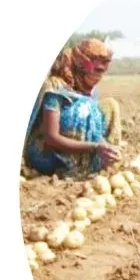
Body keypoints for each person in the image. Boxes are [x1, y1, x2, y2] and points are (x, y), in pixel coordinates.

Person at [24, 38, 122, 178]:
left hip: (83, 152)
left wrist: (104, 147)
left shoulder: (90, 92)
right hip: (49, 154)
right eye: (96, 70)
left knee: (109, 105)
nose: (98, 77)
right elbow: (51, 137)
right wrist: (94, 147)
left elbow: (93, 129)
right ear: (81, 65)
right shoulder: (56, 87)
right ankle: (76, 167)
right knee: (84, 106)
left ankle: (96, 161)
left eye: (102, 71)